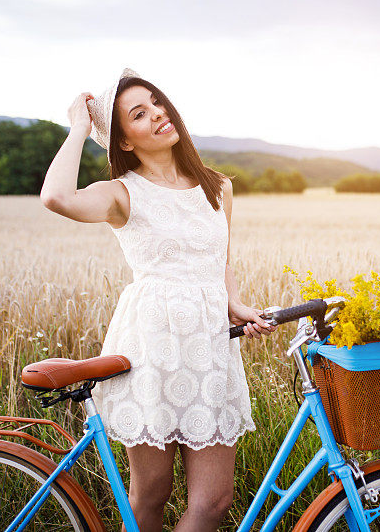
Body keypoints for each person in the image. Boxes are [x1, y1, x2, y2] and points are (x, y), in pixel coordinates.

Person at [40, 67, 275, 532]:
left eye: (157, 103)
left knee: (213, 501)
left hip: (209, 348)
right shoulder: (123, 193)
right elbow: (56, 196)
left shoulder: (218, 187)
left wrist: (236, 303)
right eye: (139, 114)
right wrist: (80, 129)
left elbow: (219, 259)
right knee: (151, 494)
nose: (158, 115)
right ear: (124, 141)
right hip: (150, 345)